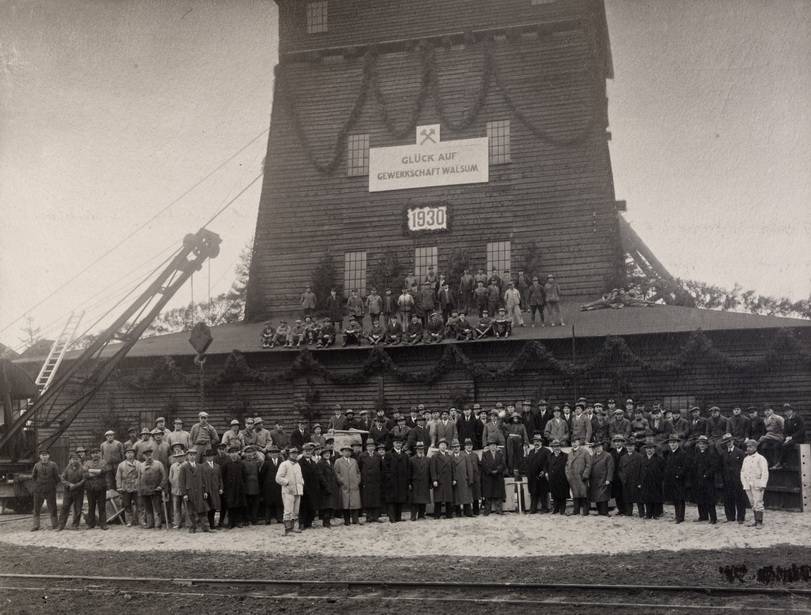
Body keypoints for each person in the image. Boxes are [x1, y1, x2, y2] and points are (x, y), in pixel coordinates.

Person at [276, 446, 305, 535]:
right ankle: (287, 529)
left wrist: (301, 483)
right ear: (289, 454)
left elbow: (300, 477)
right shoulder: (284, 464)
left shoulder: (297, 465)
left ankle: (294, 527)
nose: (294, 455)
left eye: (296, 453)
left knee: (296, 511)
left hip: (298, 490)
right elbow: (278, 478)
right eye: (292, 453)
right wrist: (287, 483)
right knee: (288, 510)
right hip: (288, 491)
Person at [740, 439, 769, 529]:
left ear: (755, 447)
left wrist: (762, 484)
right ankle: (756, 520)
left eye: (751, 446)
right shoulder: (746, 459)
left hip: (757, 483)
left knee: (758, 502)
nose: (748, 448)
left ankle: (760, 521)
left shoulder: (761, 458)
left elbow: (765, 472)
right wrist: (744, 483)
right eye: (747, 446)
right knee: (752, 503)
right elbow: (742, 472)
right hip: (748, 484)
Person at [719, 433, 747, 524]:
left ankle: (741, 517)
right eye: (726, 442)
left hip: (738, 480)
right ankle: (730, 517)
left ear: (733, 441)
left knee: (739, 498)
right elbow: (722, 466)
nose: (728, 443)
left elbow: (744, 466)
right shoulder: (723, 453)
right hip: (727, 480)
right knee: (728, 498)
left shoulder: (740, 452)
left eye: (729, 441)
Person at [180, 449, 209, 533]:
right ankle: (192, 527)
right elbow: (182, 482)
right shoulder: (184, 467)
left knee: (202, 509)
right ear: (187, 456)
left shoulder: (200, 467)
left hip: (200, 491)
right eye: (190, 455)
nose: (192, 457)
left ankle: (205, 527)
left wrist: (205, 491)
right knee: (191, 510)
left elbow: (204, 480)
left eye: (194, 455)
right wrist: (184, 494)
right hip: (190, 491)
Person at [31, 450, 60, 531]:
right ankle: (36, 525)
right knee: (36, 508)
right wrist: (38, 485)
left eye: (46, 455)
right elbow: (33, 477)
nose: (44, 457)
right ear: (40, 456)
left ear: (49, 456)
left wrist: (52, 485)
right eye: (42, 455)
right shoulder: (36, 465)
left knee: (53, 507)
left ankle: (55, 525)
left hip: (50, 490)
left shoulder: (53, 465)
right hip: (39, 490)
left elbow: (57, 478)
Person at [662, 435, 689, 523]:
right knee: (675, 498)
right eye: (671, 443)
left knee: (680, 498)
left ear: (677, 443)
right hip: (671, 479)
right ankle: (677, 515)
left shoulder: (682, 453)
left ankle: (680, 517)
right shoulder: (669, 453)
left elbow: (685, 467)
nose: (672, 444)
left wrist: (679, 475)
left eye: (674, 442)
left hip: (679, 480)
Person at [136, 448, 165, 529]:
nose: (149, 457)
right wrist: (139, 489)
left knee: (157, 507)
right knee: (148, 508)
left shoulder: (158, 464)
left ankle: (158, 524)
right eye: (146, 455)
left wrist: (161, 486)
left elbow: (164, 476)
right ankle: (150, 523)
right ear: (143, 456)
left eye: (150, 455)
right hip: (145, 490)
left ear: (152, 455)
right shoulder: (141, 465)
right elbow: (138, 478)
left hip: (156, 489)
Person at [692, 436, 718, 524]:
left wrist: (706, 474)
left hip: (708, 480)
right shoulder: (697, 454)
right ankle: (703, 516)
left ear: (707, 445)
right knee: (700, 498)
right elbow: (694, 466)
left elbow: (714, 467)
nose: (701, 445)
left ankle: (713, 518)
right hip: (699, 480)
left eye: (703, 444)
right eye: (700, 444)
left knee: (710, 499)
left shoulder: (711, 454)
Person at [384, 437, 410, 522]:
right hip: (392, 482)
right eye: (396, 443)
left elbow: (407, 468)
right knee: (392, 500)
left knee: (400, 499)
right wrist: (389, 478)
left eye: (400, 443)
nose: (398, 444)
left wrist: (407, 480)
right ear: (393, 444)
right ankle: (392, 518)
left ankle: (398, 517)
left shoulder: (405, 455)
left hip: (402, 481)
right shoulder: (388, 454)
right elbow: (385, 468)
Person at [334, 445, 362, 525]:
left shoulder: (354, 461)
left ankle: (355, 519)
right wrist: (341, 481)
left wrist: (357, 481)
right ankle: (347, 520)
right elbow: (336, 473)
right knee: (345, 503)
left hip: (354, 485)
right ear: (342, 452)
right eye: (345, 451)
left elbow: (358, 472)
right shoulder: (338, 461)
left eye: (349, 451)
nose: (347, 452)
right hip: (344, 485)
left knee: (355, 503)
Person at [58, 452, 86, 530]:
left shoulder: (82, 468)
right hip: (68, 491)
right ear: (70, 460)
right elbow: (62, 478)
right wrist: (69, 484)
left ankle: (75, 525)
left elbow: (84, 479)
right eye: (73, 459)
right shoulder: (67, 468)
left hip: (79, 492)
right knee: (65, 507)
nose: (74, 461)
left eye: (76, 459)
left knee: (78, 509)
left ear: (78, 460)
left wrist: (76, 485)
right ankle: (61, 525)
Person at [565, 437, 592, 516]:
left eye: (575, 441)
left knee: (584, 494)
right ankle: (576, 510)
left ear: (579, 442)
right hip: (573, 477)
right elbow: (567, 465)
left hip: (581, 477)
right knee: (575, 494)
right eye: (572, 442)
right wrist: (568, 475)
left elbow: (588, 464)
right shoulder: (570, 453)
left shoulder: (584, 452)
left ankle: (585, 511)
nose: (574, 443)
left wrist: (585, 474)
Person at [524, 434, 550, 513]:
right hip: (532, 476)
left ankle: (544, 508)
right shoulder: (531, 452)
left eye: (538, 441)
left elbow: (549, 462)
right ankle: (533, 508)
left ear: (541, 442)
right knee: (533, 493)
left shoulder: (546, 451)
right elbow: (528, 463)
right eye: (535, 441)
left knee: (543, 493)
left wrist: (545, 471)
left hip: (541, 475)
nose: (536, 443)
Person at [297, 443, 321, 530]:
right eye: (306, 451)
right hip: (304, 487)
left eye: (310, 451)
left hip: (313, 488)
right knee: (303, 507)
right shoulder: (299, 463)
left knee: (312, 506)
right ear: (303, 452)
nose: (308, 452)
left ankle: (309, 522)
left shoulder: (313, 463)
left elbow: (317, 475)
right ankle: (302, 523)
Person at [221, 447, 246, 529]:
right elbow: (222, 477)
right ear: (229, 454)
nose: (234, 454)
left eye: (235, 452)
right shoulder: (225, 464)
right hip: (229, 488)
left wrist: (242, 485)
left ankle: (238, 521)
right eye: (232, 453)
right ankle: (231, 522)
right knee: (230, 505)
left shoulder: (241, 464)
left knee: (239, 504)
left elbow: (244, 476)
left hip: (239, 487)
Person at [430, 438, 455, 518]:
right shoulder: (435, 456)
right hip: (439, 479)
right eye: (441, 445)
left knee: (448, 498)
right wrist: (434, 480)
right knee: (438, 498)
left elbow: (452, 469)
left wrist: (453, 479)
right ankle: (437, 515)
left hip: (448, 479)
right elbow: (433, 469)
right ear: (438, 446)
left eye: (445, 445)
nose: (443, 446)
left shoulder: (449, 457)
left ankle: (449, 514)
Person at [479, 439, 506, 515]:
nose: (493, 446)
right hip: (488, 477)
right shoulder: (485, 454)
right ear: (489, 446)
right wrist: (490, 471)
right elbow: (484, 464)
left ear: (496, 446)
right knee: (488, 495)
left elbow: (503, 464)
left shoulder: (500, 454)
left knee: (498, 495)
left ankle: (499, 510)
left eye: (494, 445)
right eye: (491, 445)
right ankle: (487, 510)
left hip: (498, 477)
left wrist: (497, 470)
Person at [617, 437, 642, 517]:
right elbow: (620, 470)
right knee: (627, 497)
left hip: (636, 481)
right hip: (626, 481)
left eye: (631, 446)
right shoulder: (623, 458)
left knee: (639, 498)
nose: (629, 448)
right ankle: (629, 512)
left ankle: (641, 513)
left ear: (634, 447)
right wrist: (623, 478)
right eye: (628, 446)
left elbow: (642, 470)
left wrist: (640, 481)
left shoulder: (639, 456)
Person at [775, 403, 805, 469]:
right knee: (778, 444)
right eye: (785, 411)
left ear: (792, 410)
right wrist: (786, 438)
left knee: (786, 445)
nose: (787, 412)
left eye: (788, 410)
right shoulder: (786, 420)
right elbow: (785, 432)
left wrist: (792, 437)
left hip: (798, 438)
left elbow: (801, 430)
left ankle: (781, 463)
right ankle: (780, 462)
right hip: (789, 438)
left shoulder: (798, 418)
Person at [259, 445, 284, 525]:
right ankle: (267, 519)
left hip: (278, 485)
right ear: (269, 454)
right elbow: (262, 475)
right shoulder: (266, 463)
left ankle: (279, 518)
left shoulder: (281, 462)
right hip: (268, 486)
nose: (274, 454)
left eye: (276, 452)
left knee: (279, 502)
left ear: (278, 454)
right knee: (268, 503)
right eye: (272, 453)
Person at [359, 439, 383, 522]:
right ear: (366, 447)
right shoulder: (362, 456)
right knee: (368, 499)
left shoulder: (378, 456)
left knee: (376, 499)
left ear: (375, 447)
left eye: (372, 446)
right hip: (366, 481)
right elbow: (360, 468)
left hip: (376, 480)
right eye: (369, 446)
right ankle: (369, 516)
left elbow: (381, 468)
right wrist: (362, 480)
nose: (371, 448)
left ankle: (376, 516)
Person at [639, 441, 664, 519]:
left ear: (654, 449)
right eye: (648, 448)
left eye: (651, 448)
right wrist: (640, 482)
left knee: (656, 498)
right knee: (647, 498)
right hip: (645, 482)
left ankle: (656, 514)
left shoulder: (659, 459)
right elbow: (639, 471)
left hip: (655, 482)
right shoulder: (642, 459)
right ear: (645, 449)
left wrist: (660, 479)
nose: (649, 450)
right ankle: (648, 514)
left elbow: (663, 471)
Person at [588, 440, 614, 516]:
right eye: (596, 447)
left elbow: (610, 468)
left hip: (603, 478)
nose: (597, 449)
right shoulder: (592, 457)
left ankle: (605, 512)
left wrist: (608, 479)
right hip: (594, 480)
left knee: (603, 496)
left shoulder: (607, 455)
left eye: (599, 447)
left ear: (602, 447)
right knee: (596, 496)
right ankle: (600, 511)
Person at [408, 441, 431, 520]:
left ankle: (421, 515)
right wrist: (409, 483)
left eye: (422, 449)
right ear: (416, 450)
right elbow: (409, 472)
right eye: (419, 449)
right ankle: (413, 516)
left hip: (425, 482)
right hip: (415, 482)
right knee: (414, 500)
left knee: (423, 499)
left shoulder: (428, 460)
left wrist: (430, 483)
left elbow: (430, 472)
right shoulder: (411, 460)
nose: (420, 450)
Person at [201, 449, 223, 530]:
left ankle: (213, 524)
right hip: (208, 490)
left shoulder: (217, 466)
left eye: (211, 456)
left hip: (216, 489)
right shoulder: (202, 466)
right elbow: (202, 480)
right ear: (206, 457)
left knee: (215, 507)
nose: (210, 458)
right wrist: (204, 490)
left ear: (213, 457)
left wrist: (221, 488)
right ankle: (210, 524)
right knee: (209, 507)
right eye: (208, 456)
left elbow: (220, 478)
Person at [242, 446, 262, 525]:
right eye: (247, 453)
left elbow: (261, 461)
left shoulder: (256, 462)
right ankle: (246, 519)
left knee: (255, 504)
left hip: (255, 485)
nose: (249, 454)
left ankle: (254, 519)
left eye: (251, 453)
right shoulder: (242, 462)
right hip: (247, 486)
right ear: (245, 454)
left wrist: (256, 453)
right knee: (246, 504)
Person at [317, 448, 338, 527]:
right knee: (326, 506)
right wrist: (326, 486)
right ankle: (325, 522)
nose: (327, 454)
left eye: (328, 453)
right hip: (325, 488)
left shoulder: (330, 462)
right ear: (322, 455)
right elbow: (320, 476)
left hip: (332, 486)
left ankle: (327, 521)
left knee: (330, 505)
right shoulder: (320, 463)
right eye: (325, 453)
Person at [168, 450, 187, 529]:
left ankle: (188, 523)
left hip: (185, 490)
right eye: (177, 457)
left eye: (181, 456)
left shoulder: (186, 465)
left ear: (184, 457)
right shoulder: (173, 466)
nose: (179, 458)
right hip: (175, 489)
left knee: (187, 507)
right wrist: (174, 484)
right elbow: (170, 477)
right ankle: (177, 523)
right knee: (176, 507)